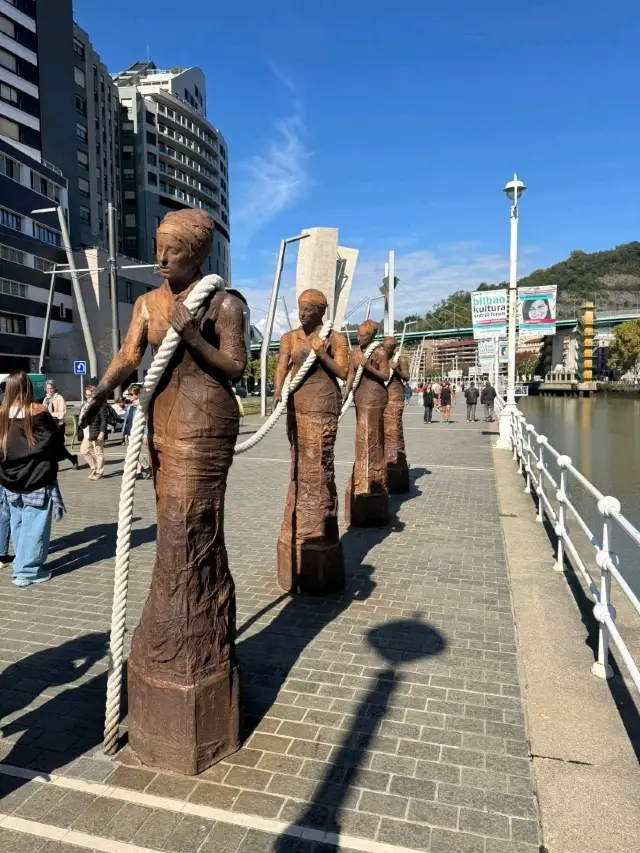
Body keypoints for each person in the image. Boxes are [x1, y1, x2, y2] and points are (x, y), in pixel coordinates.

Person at [79, 208, 247, 773]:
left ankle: (189, 643)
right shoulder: (148, 305)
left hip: (207, 421)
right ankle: (179, 635)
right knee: (175, 526)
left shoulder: (224, 303)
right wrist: (99, 394)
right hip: (165, 422)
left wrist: (192, 335)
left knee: (186, 526)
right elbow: (131, 357)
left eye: (174, 249)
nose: (164, 257)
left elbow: (236, 367)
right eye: (160, 247)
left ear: (197, 255)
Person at [273, 289, 349, 593]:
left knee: (318, 465)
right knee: (298, 464)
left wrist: (320, 352)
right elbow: (281, 365)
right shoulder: (290, 337)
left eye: (308, 309)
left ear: (321, 311)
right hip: (297, 405)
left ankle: (316, 530)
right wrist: (278, 390)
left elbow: (344, 372)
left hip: (323, 404)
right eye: (300, 308)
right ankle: (296, 528)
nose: (302, 313)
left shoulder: (335, 337)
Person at [0, 371, 65, 587]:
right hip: (36, 478)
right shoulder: (38, 413)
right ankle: (27, 571)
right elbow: (54, 444)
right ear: (28, 388)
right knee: (34, 524)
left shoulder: (2, 414)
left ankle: (22, 563)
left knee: (19, 522)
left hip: (9, 478)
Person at [344, 320, 390, 526]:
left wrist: (367, 366)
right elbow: (351, 375)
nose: (359, 337)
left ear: (371, 335)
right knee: (361, 436)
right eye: (358, 334)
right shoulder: (355, 352)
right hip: (360, 396)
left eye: (363, 335)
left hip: (375, 396)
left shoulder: (379, 352)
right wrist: (346, 393)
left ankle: (371, 476)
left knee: (370, 435)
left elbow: (385, 375)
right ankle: (362, 473)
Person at [43, 379, 77, 468]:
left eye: (52, 388)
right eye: (48, 388)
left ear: (55, 389)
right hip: (48, 426)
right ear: (45, 389)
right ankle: (53, 465)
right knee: (50, 446)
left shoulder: (59, 398)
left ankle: (72, 459)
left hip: (58, 426)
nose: (50, 390)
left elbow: (62, 414)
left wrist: (50, 414)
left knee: (58, 447)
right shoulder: (46, 399)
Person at [77, 385, 107, 481]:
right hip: (87, 432)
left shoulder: (100, 405)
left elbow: (104, 420)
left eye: (90, 395)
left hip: (96, 432)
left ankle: (99, 472)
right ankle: (94, 467)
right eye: (86, 395)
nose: (88, 397)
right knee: (84, 450)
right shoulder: (85, 405)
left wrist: (102, 432)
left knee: (98, 452)